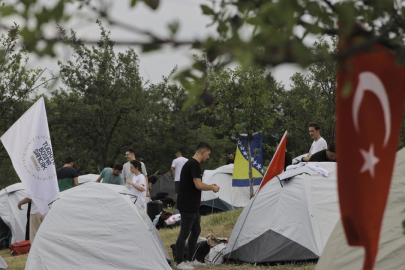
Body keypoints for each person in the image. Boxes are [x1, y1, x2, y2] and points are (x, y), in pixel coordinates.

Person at [175, 142, 220, 270]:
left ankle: (190, 259)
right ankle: (179, 262)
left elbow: (196, 183)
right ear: (203, 152)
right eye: (208, 154)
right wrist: (212, 187)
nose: (208, 157)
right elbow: (198, 185)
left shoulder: (190, 163)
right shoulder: (194, 164)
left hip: (193, 204)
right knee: (184, 233)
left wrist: (209, 185)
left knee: (196, 231)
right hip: (188, 205)